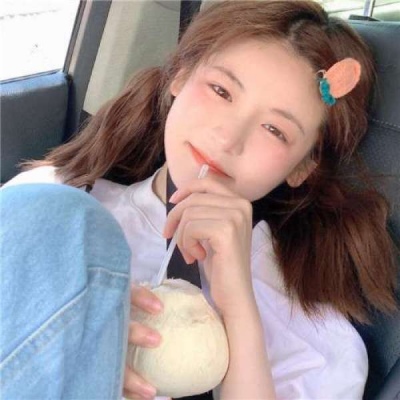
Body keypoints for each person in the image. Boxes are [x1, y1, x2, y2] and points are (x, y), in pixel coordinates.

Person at [1, 0, 398, 399]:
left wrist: (238, 310)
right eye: (221, 91)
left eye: (275, 130)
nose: (229, 138)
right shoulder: (51, 202)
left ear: (302, 167)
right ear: (181, 75)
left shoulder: (313, 332)